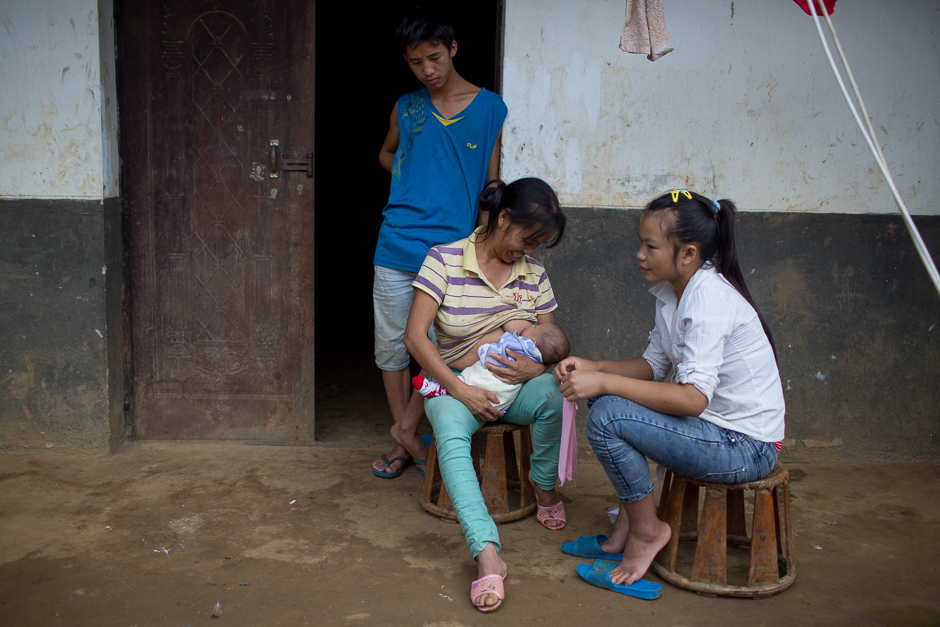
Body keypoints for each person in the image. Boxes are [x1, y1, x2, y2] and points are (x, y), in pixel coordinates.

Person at [554, 190, 785, 597]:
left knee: (609, 414)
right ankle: (624, 531)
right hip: (714, 431)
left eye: (650, 245)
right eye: (640, 243)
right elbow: (652, 366)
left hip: (745, 447)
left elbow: (693, 398)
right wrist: (594, 367)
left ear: (688, 253)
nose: (640, 254)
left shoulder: (708, 298)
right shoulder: (674, 292)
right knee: (605, 401)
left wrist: (605, 382)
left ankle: (646, 531)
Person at [405, 178, 568, 612]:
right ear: (501, 218)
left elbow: (547, 338)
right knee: (450, 434)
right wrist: (460, 389)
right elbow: (415, 337)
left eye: (539, 244)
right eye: (525, 238)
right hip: (458, 383)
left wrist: (536, 368)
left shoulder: (533, 273)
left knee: (554, 395)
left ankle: (544, 485)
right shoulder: (444, 259)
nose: (528, 251)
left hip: (516, 387)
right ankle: (487, 552)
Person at [372, 7, 508, 478]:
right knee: (391, 347)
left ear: (452, 49)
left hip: (451, 251)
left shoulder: (490, 108)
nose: (427, 70)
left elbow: (492, 183)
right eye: (415, 62)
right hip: (396, 243)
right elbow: (387, 153)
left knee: (441, 347)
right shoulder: (406, 108)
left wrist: (487, 242)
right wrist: (407, 178)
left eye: (434, 57)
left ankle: (415, 429)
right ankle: (403, 438)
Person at [412, 321, 570, 412]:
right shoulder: (538, 354)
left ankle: (439, 390)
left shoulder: (519, 344)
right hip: (504, 399)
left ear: (533, 342)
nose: (533, 324)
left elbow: (496, 352)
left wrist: (484, 350)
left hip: (488, 379)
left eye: (535, 327)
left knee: (470, 380)